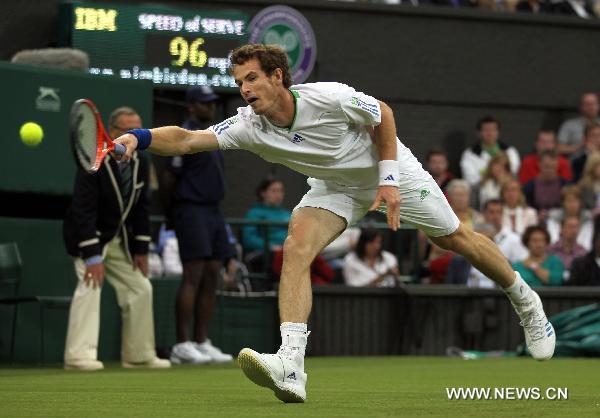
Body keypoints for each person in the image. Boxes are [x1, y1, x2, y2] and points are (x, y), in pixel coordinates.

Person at [114, 44, 555, 403]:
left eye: (251, 79)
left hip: (389, 169)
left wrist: (387, 181)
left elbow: (382, 114)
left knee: (454, 239)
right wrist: (140, 137)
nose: (244, 90)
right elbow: (189, 139)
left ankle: (526, 302)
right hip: (334, 187)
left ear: (277, 76)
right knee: (296, 248)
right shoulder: (248, 126)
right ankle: (291, 366)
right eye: (238, 83)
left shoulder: (329, 96)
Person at [63, 107, 170, 371]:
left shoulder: (141, 161)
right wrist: (92, 255)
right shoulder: (92, 161)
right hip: (87, 237)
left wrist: (141, 249)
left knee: (141, 288)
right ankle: (79, 357)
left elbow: (142, 207)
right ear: (111, 133)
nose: (130, 136)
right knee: (91, 285)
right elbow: (82, 210)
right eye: (125, 130)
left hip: (119, 239)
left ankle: (139, 355)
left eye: (136, 130)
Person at [167, 86, 234, 365]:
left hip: (213, 212)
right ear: (192, 107)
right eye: (205, 104)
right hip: (190, 210)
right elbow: (169, 180)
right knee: (192, 275)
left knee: (212, 274)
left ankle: (201, 341)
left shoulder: (213, 136)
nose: (212, 107)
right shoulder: (183, 135)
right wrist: (176, 213)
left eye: (213, 103)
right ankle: (182, 345)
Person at [460, 115, 520, 186]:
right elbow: (470, 179)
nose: (489, 133)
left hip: (505, 188)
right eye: (486, 130)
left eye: (493, 129)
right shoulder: (469, 154)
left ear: (498, 132)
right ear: (479, 133)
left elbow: (512, 173)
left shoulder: (510, 151)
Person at [546, 186, 593, 251]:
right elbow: (553, 240)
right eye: (569, 201)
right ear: (563, 203)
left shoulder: (588, 219)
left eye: (575, 201)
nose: (572, 204)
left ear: (580, 202)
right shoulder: (553, 218)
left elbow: (588, 244)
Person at [557, 92, 600, 157]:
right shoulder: (569, 125)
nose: (591, 107)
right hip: (575, 164)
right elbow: (559, 148)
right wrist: (580, 146)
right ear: (581, 107)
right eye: (587, 104)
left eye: (594, 103)